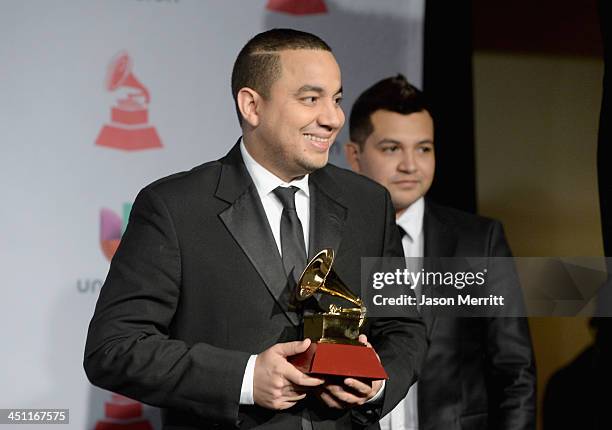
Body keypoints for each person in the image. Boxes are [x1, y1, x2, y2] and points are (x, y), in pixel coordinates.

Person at [84, 30, 426, 430]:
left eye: (336, 99)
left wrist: (374, 385)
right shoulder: (175, 208)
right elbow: (114, 348)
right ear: (251, 105)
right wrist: (244, 378)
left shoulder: (369, 203)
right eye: (310, 99)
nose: (333, 118)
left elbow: (403, 328)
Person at [345, 74, 536, 430]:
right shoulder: (329, 239)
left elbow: (515, 372)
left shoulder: (479, 241)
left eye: (424, 148)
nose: (410, 165)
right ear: (354, 155)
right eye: (391, 148)